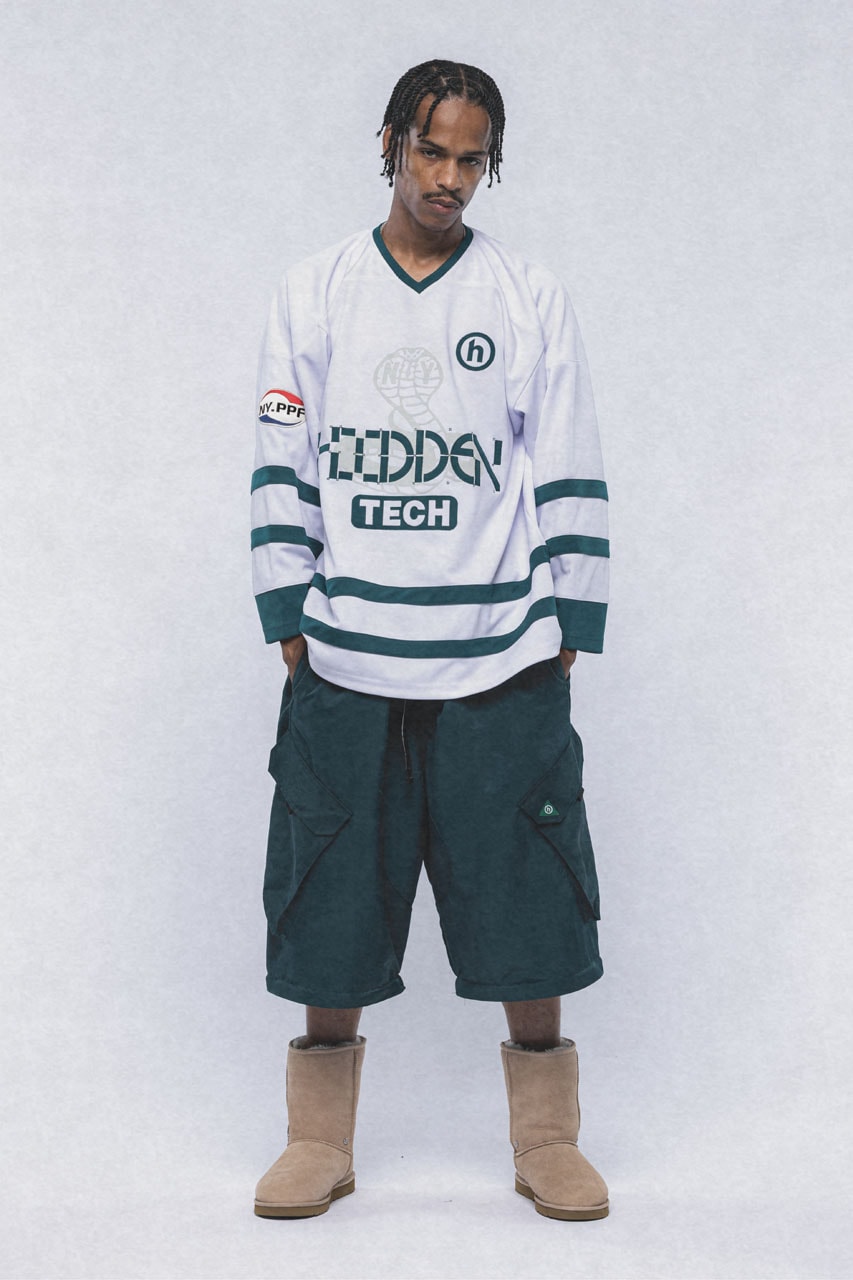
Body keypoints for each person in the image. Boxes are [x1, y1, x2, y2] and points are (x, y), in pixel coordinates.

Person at [250, 59, 610, 1222]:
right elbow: (282, 457)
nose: (448, 177)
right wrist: (289, 614)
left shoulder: (524, 293)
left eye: (471, 158)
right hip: (348, 655)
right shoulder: (316, 290)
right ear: (390, 144)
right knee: (330, 895)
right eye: (431, 151)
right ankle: (318, 1139)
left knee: (529, 893)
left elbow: (566, 453)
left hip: (499, 654)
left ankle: (546, 1138)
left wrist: (569, 620)